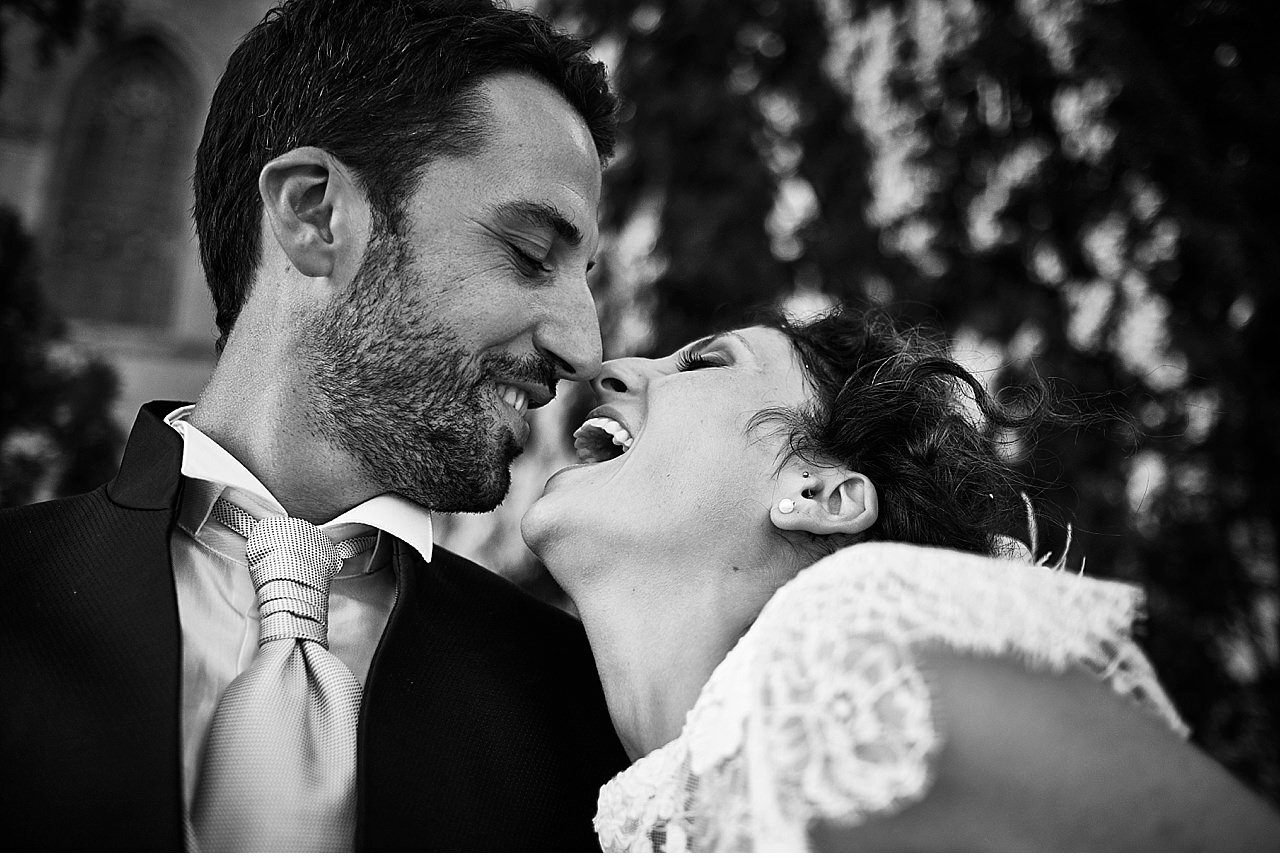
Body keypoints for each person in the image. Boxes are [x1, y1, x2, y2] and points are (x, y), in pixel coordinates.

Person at [0, 0, 629, 850]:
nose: (583, 346)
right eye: (527, 251)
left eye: (585, 275)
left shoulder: (583, 709)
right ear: (313, 214)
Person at [522, 307, 1280, 851]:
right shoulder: (624, 806)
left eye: (706, 361)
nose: (610, 369)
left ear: (822, 495)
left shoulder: (865, 661)